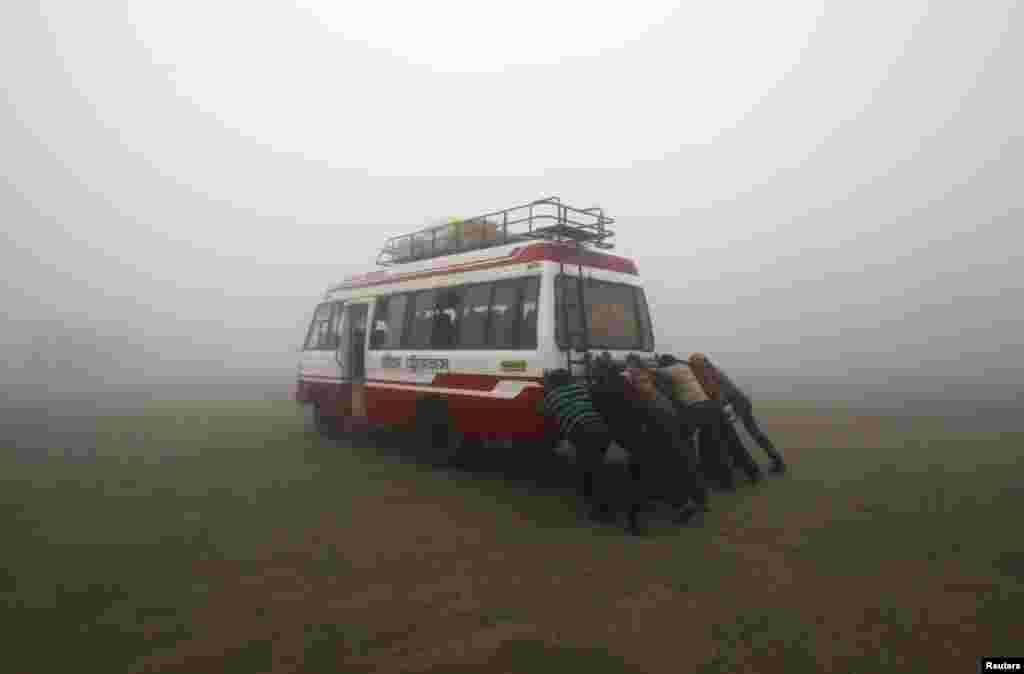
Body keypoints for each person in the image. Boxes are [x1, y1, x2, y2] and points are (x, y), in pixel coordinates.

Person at [538, 369, 646, 535]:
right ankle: (614, 508)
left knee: (593, 471)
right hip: (601, 428)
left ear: (553, 383)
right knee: (599, 468)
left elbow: (543, 412)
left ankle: (604, 512)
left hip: (580, 431)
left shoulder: (552, 397)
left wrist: (547, 390)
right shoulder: (580, 388)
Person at [615, 355, 710, 519]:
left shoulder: (631, 376)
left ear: (631, 364)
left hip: (660, 421)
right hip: (671, 416)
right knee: (682, 460)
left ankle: (679, 503)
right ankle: (697, 499)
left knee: (662, 464)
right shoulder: (652, 376)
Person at [656, 354, 762, 488]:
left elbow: (658, 378)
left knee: (709, 442)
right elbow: (686, 364)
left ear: (664, 364)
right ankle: (753, 472)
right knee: (732, 441)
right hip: (711, 406)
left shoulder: (665, 371)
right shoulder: (685, 368)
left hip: (696, 410)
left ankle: (724, 482)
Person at [690, 353, 786, 474]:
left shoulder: (711, 374)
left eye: (695, 365)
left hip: (739, 404)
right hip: (739, 403)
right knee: (743, 434)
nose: (695, 368)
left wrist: (720, 407)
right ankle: (772, 460)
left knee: (753, 433)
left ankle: (777, 460)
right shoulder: (713, 370)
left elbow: (722, 393)